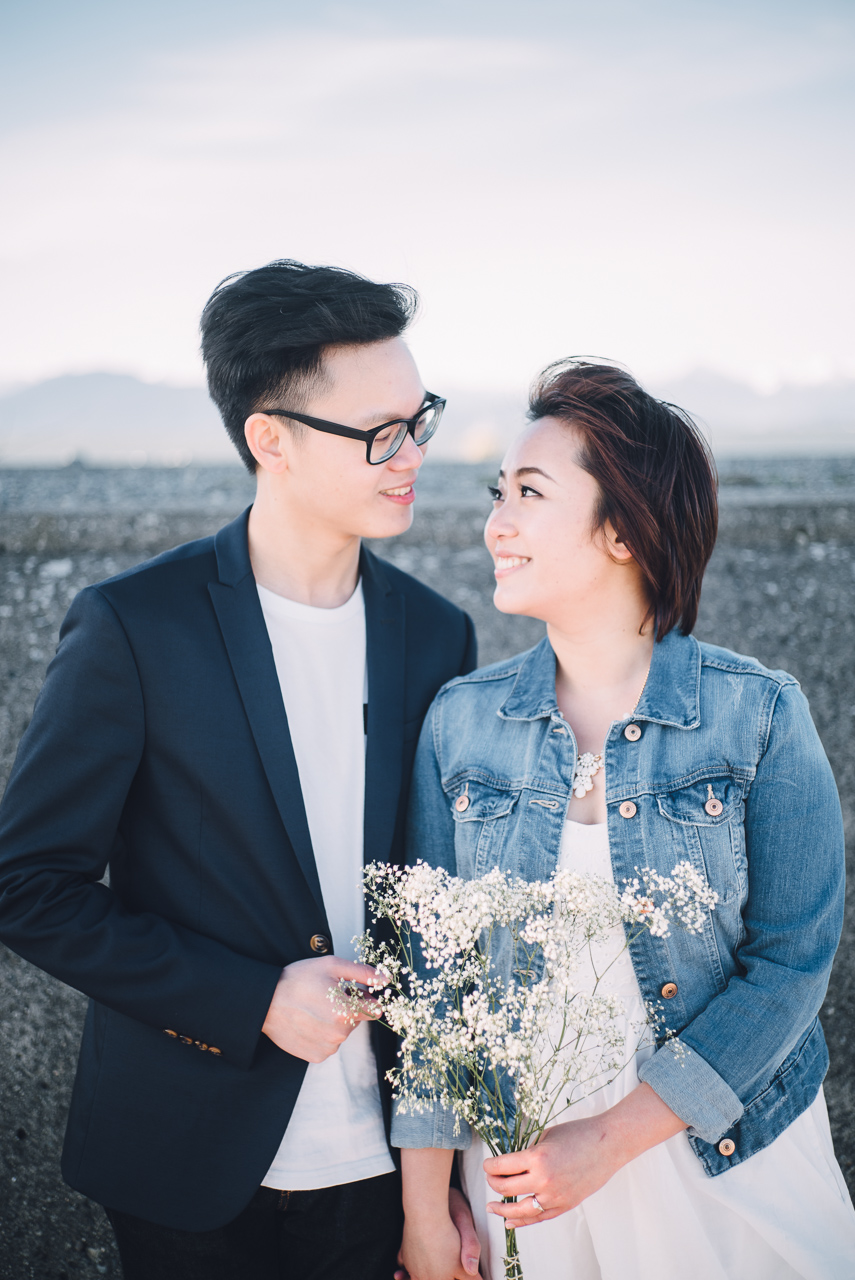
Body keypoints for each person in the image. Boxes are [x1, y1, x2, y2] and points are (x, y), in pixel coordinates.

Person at [0, 259, 482, 1280]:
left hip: (384, 1169)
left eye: (420, 418)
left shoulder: (438, 636)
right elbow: (28, 885)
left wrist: (440, 1179)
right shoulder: (136, 624)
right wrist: (250, 995)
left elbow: (444, 913)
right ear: (272, 437)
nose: (413, 456)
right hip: (183, 1164)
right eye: (379, 434)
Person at [392, 359, 855, 1280]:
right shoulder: (461, 723)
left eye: (529, 491)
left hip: (726, 1156)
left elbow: (791, 967)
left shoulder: (757, 715)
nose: (496, 521)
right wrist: (423, 1214)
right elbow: (434, 989)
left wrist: (609, 1139)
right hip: (527, 1182)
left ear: (620, 530)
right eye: (498, 492)